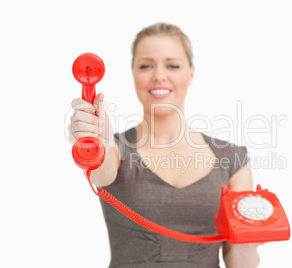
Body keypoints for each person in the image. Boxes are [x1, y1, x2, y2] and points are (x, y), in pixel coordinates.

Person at [68, 22, 261, 268]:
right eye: (146, 65)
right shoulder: (115, 149)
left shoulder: (232, 159)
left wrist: (248, 242)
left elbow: (238, 262)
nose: (159, 75)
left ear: (191, 72)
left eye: (173, 65)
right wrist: (99, 144)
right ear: (133, 72)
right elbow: (101, 173)